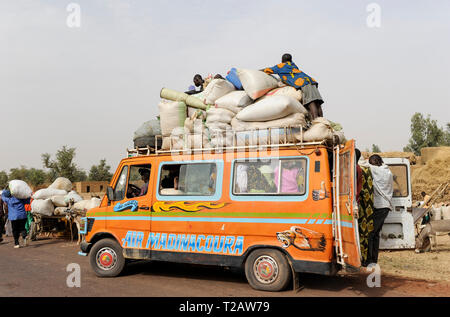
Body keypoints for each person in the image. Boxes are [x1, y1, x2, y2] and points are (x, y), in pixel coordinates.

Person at [263, 53, 324, 120]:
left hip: (303, 83)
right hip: (311, 81)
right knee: (317, 103)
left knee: (311, 102)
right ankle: (322, 121)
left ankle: (316, 121)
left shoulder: (281, 66)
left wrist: (258, 71)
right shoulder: (293, 65)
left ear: (282, 60)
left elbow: (267, 70)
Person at [366, 154, 393, 265]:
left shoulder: (375, 170)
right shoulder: (388, 171)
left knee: (371, 233)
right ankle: (374, 260)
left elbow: (362, 163)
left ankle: (369, 260)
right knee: (376, 233)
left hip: (379, 206)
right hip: (385, 206)